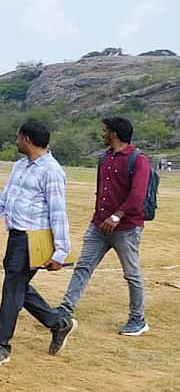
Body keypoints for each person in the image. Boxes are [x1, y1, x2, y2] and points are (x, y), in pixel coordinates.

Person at [0, 119, 76, 367]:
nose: (16, 141)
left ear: (27, 139)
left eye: (18, 137)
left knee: (12, 289)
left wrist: (61, 252)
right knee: (18, 287)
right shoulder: (20, 166)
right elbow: (4, 199)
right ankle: (58, 323)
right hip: (15, 237)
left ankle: (1, 345)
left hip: (32, 240)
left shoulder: (51, 171)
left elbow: (58, 211)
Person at [57, 117, 151, 335]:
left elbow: (137, 196)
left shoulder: (138, 160)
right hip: (99, 225)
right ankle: (65, 309)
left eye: (105, 130)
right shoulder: (105, 158)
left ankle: (138, 319)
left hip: (126, 228)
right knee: (83, 267)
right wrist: (101, 217)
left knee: (131, 274)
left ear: (114, 134)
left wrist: (117, 216)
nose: (102, 133)